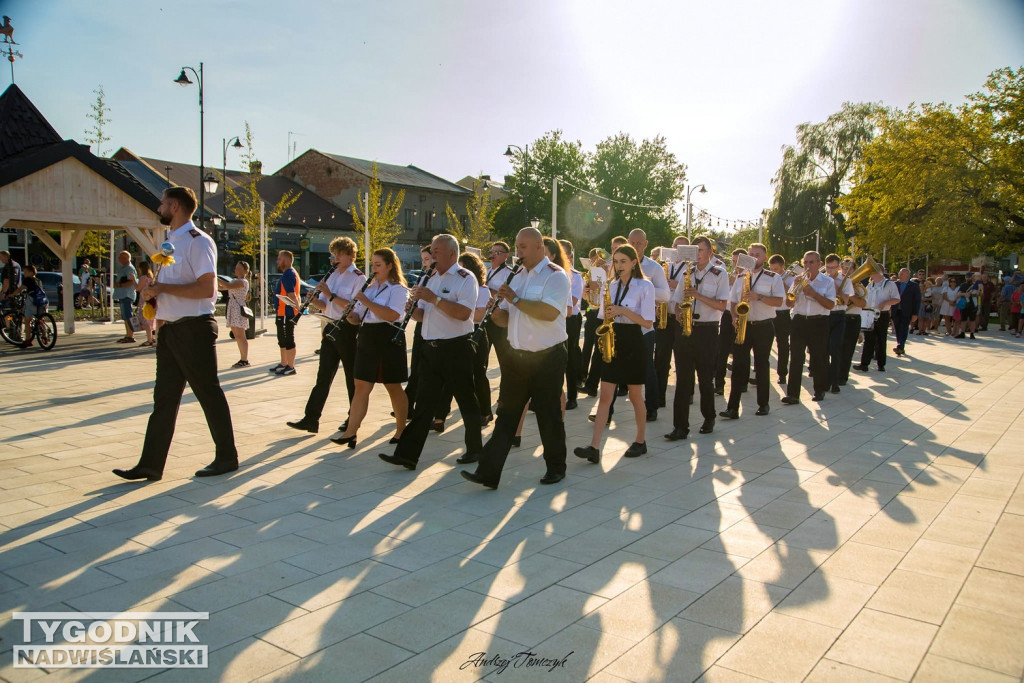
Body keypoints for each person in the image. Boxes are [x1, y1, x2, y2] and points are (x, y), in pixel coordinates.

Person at [113, 186, 238, 481]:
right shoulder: (170, 243)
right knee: (164, 399)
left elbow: (207, 288)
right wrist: (152, 295)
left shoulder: (198, 242)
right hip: (170, 329)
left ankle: (227, 457)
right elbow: (172, 288)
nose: (159, 208)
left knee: (208, 393)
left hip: (194, 329)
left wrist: (164, 288)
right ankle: (150, 464)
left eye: (162, 203)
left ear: (175, 206)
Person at [463, 228, 570, 488]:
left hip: (547, 357)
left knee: (548, 415)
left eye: (522, 247)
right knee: (506, 416)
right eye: (517, 246)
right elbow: (508, 318)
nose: (518, 252)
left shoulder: (555, 276)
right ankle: (488, 472)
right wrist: (496, 312)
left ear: (538, 247)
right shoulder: (517, 276)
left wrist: (515, 298)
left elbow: (548, 313)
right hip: (517, 357)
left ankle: (556, 467)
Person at [379, 234, 482, 471]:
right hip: (431, 349)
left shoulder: (465, 279)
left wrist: (434, 299)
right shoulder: (431, 278)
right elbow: (424, 315)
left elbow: (464, 314)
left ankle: (475, 449)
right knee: (424, 405)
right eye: (432, 251)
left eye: (436, 251)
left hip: (456, 347)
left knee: (466, 400)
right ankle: (406, 455)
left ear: (452, 254)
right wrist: (412, 310)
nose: (432, 256)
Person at [574, 244, 654, 463]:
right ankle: (594, 447)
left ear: (634, 262)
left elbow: (648, 321)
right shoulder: (612, 285)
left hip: (634, 341)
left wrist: (623, 311)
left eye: (623, 262)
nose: (618, 266)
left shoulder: (645, 286)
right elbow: (600, 315)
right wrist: (591, 296)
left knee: (636, 395)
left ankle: (640, 440)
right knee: (605, 396)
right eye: (616, 262)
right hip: (612, 339)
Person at [330, 248, 410, 447]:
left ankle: (401, 430)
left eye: (378, 265)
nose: (373, 269)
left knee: (393, 386)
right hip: (367, 337)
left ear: (390, 266)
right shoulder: (370, 287)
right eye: (372, 264)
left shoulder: (398, 289)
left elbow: (392, 315)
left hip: (387, 338)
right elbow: (358, 318)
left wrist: (367, 302)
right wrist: (349, 314)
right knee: (360, 386)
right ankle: (351, 432)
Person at [286, 237, 365, 433]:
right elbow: (324, 304)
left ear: (350, 255)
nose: (335, 258)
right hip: (330, 326)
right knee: (323, 376)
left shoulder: (358, 277)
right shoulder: (332, 275)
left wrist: (329, 295)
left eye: (339, 255)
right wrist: (313, 300)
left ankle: (352, 418)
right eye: (334, 255)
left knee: (350, 378)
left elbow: (353, 307)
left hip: (348, 329)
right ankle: (311, 418)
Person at [665, 236, 730, 439]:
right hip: (685, 329)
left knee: (704, 380)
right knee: (682, 380)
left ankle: (708, 417)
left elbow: (722, 305)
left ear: (710, 251)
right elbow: (676, 301)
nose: (698, 254)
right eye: (696, 250)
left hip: (707, 331)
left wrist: (698, 295)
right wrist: (677, 311)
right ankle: (680, 427)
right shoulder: (687, 272)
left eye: (701, 250)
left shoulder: (720, 274)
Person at [720, 243, 785, 419]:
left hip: (763, 326)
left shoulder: (773, 277)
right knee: (738, 366)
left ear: (764, 258)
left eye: (757, 254)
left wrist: (759, 297)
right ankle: (732, 407)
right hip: (743, 325)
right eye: (751, 254)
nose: (754, 257)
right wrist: (734, 317)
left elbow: (779, 302)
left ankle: (763, 404)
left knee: (762, 365)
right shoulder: (741, 276)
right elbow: (733, 301)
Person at [434, 251, 493, 431]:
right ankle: (439, 417)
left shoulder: (482, 289)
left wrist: (458, 310)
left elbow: (480, 314)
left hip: (476, 333)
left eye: (462, 267)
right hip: (456, 334)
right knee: (449, 377)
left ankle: (485, 411)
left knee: (478, 374)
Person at [627, 229, 671, 422]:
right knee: (615, 367)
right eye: (632, 243)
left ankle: (652, 407)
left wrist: (645, 288)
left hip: (644, 326)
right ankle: (607, 411)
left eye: (639, 243)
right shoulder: (619, 263)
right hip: (623, 324)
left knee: (647, 368)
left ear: (645, 244)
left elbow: (666, 295)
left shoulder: (654, 268)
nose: (635, 247)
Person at [781, 251, 836, 404]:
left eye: (811, 262)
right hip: (799, 321)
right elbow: (789, 303)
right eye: (805, 262)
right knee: (796, 358)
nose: (808, 266)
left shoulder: (827, 282)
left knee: (818, 357)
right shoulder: (798, 279)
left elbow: (831, 305)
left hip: (819, 321)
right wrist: (795, 291)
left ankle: (819, 390)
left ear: (819, 264)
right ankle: (792, 394)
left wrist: (813, 293)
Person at [654, 236, 689, 408]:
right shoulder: (665, 267)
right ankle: (659, 396)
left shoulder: (690, 268)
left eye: (682, 248)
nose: (677, 250)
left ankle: (687, 393)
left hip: (680, 317)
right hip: (664, 315)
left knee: (683, 358)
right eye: (675, 246)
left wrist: (676, 284)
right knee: (661, 358)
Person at [404, 245, 435, 407]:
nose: (424, 264)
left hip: (435, 327)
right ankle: (408, 404)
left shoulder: (439, 277)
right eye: (423, 260)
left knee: (427, 369)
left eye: (427, 259)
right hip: (421, 325)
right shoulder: (424, 276)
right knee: (415, 366)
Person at [715, 248, 747, 395]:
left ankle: (742, 383)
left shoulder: (748, 277)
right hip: (728, 315)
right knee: (722, 350)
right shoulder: (728, 276)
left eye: (738, 261)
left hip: (744, 316)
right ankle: (719, 383)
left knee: (742, 351)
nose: (735, 265)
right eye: (733, 261)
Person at [855, 270, 900, 372]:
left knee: (881, 339)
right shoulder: (870, 285)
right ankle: (864, 364)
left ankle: (881, 364)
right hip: (870, 313)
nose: (869, 274)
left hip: (882, 314)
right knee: (868, 340)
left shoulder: (889, 284)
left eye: (871, 271)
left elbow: (897, 299)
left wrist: (886, 302)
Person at [560, 238, 583, 411]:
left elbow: (573, 301)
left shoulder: (575, 275)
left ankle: (572, 396)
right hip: (555, 319)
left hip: (570, 320)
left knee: (570, 358)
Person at [270, 250, 301, 375]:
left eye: (279, 259)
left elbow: (291, 294)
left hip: (286, 312)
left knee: (288, 338)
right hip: (282, 312)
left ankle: (291, 366)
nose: (277, 261)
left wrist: (298, 310)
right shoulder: (288, 273)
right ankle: (284, 363)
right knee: (282, 338)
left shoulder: (289, 274)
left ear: (287, 261)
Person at [837, 257, 867, 385]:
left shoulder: (858, 287)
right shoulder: (835, 281)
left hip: (852, 319)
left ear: (855, 270)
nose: (846, 270)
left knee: (848, 349)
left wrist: (850, 295)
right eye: (844, 267)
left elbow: (863, 303)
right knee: (835, 348)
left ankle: (842, 376)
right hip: (838, 316)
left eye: (850, 268)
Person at [219, 260, 251, 367]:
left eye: (238, 268)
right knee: (237, 335)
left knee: (241, 335)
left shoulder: (243, 281)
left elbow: (227, 286)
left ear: (244, 271)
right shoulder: (234, 280)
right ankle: (242, 358)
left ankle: (245, 359)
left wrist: (216, 277)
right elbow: (223, 287)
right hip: (233, 308)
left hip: (238, 309)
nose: (235, 270)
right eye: (236, 267)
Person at [767, 254, 794, 385]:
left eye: (776, 269)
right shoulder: (767, 277)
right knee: (764, 344)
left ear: (783, 267)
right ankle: (761, 372)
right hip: (769, 313)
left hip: (783, 314)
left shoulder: (790, 278)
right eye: (771, 269)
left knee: (782, 344)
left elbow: (791, 297)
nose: (773, 272)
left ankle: (782, 373)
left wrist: (781, 283)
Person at [13, 264, 47, 348]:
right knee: (40, 319)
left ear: (31, 272)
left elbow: (21, 288)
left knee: (27, 320)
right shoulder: (38, 280)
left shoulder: (28, 279)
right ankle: (44, 336)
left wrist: (12, 294)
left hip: (32, 300)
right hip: (42, 300)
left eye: (25, 272)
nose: (24, 274)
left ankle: (28, 340)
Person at [111, 251, 139, 344]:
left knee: (128, 315)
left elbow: (131, 281)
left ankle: (131, 335)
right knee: (125, 316)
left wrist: (119, 285)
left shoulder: (129, 268)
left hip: (127, 294)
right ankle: (128, 334)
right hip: (122, 294)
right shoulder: (123, 268)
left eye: (121, 257)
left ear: (126, 258)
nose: (119, 259)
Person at [892, 267, 922, 355]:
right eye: (899, 273)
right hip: (896, 310)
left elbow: (917, 300)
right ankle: (900, 345)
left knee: (904, 328)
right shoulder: (895, 284)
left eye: (902, 274)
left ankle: (900, 346)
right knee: (897, 328)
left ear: (908, 275)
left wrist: (915, 314)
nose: (900, 275)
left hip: (907, 311)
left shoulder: (914, 286)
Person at [135, 261, 156, 347]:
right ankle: (152, 337)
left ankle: (149, 339)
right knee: (151, 319)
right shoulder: (151, 277)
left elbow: (138, 288)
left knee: (144, 320)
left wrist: (133, 280)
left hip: (144, 299)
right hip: (151, 299)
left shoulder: (143, 278)